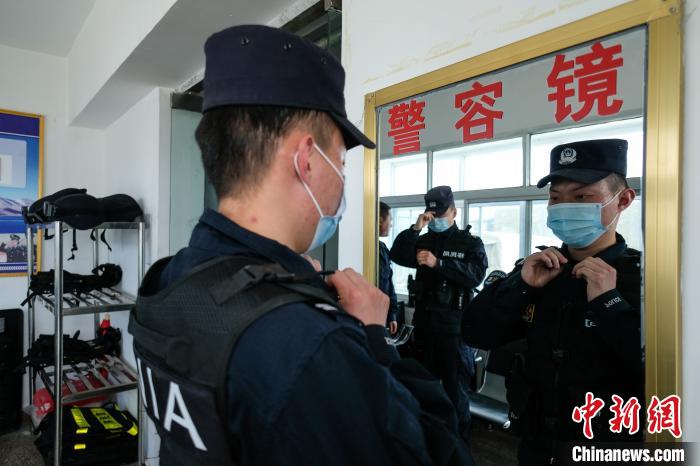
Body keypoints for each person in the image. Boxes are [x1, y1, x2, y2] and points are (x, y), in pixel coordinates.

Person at [129, 25, 473, 466]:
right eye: (342, 162)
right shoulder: (312, 346)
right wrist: (373, 339)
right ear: (307, 159)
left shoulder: (170, 278)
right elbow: (438, 451)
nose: (343, 179)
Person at [463, 139, 642, 465]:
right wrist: (520, 286)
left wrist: (610, 304)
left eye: (582, 197)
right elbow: (476, 332)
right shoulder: (539, 270)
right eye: (555, 198)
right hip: (536, 445)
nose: (565, 207)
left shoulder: (644, 281)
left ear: (624, 200)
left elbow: (660, 372)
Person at [390, 186, 488, 437]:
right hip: (424, 328)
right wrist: (415, 229)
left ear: (454, 211)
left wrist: (440, 264)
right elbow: (397, 254)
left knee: (456, 396)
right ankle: (426, 443)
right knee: (422, 391)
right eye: (432, 215)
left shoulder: (469, 243)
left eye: (441, 214)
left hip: (454, 331)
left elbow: (476, 276)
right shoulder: (423, 241)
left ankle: (459, 446)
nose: (436, 219)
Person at [379, 202, 398, 334]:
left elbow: (388, 284)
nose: (391, 224)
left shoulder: (382, 249)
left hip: (382, 314)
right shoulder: (365, 249)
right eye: (390, 219)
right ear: (380, 220)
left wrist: (392, 314)